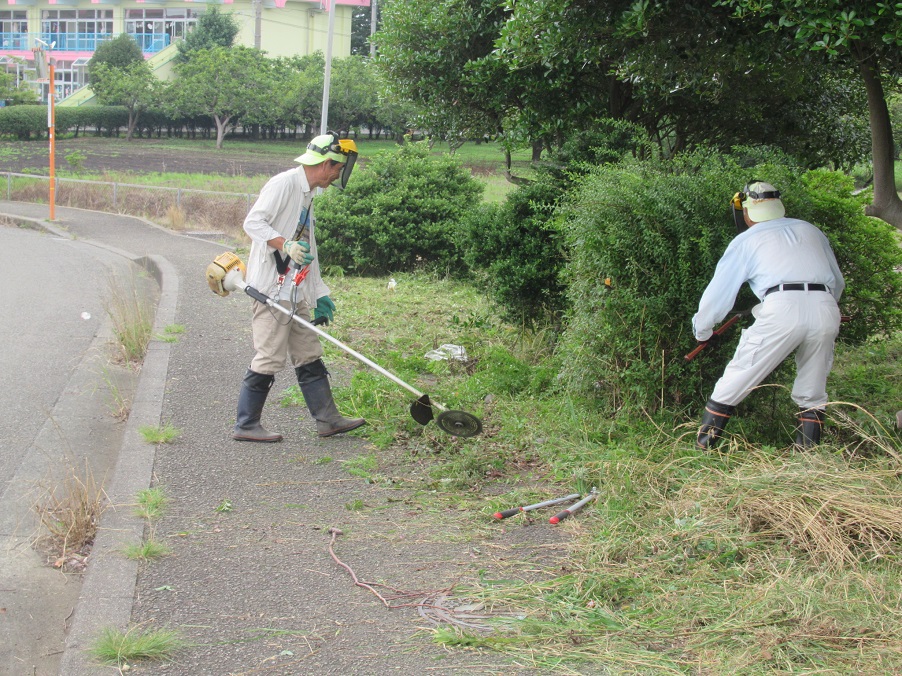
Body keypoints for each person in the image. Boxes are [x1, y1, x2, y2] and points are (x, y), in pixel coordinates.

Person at [232, 131, 365, 442]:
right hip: (270, 290)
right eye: (338, 169)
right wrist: (285, 243)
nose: (337, 176)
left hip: (295, 289)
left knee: (308, 351)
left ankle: (327, 419)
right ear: (326, 164)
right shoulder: (285, 184)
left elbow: (309, 249)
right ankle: (246, 424)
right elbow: (253, 222)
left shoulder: (308, 194)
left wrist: (320, 294)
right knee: (269, 357)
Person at [692, 181, 845, 449]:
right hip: (825, 307)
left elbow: (718, 295)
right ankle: (809, 457)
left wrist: (703, 331)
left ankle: (703, 449)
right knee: (813, 389)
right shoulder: (811, 231)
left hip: (782, 309)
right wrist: (825, 308)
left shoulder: (746, 240)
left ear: (748, 212)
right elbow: (838, 282)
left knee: (737, 377)